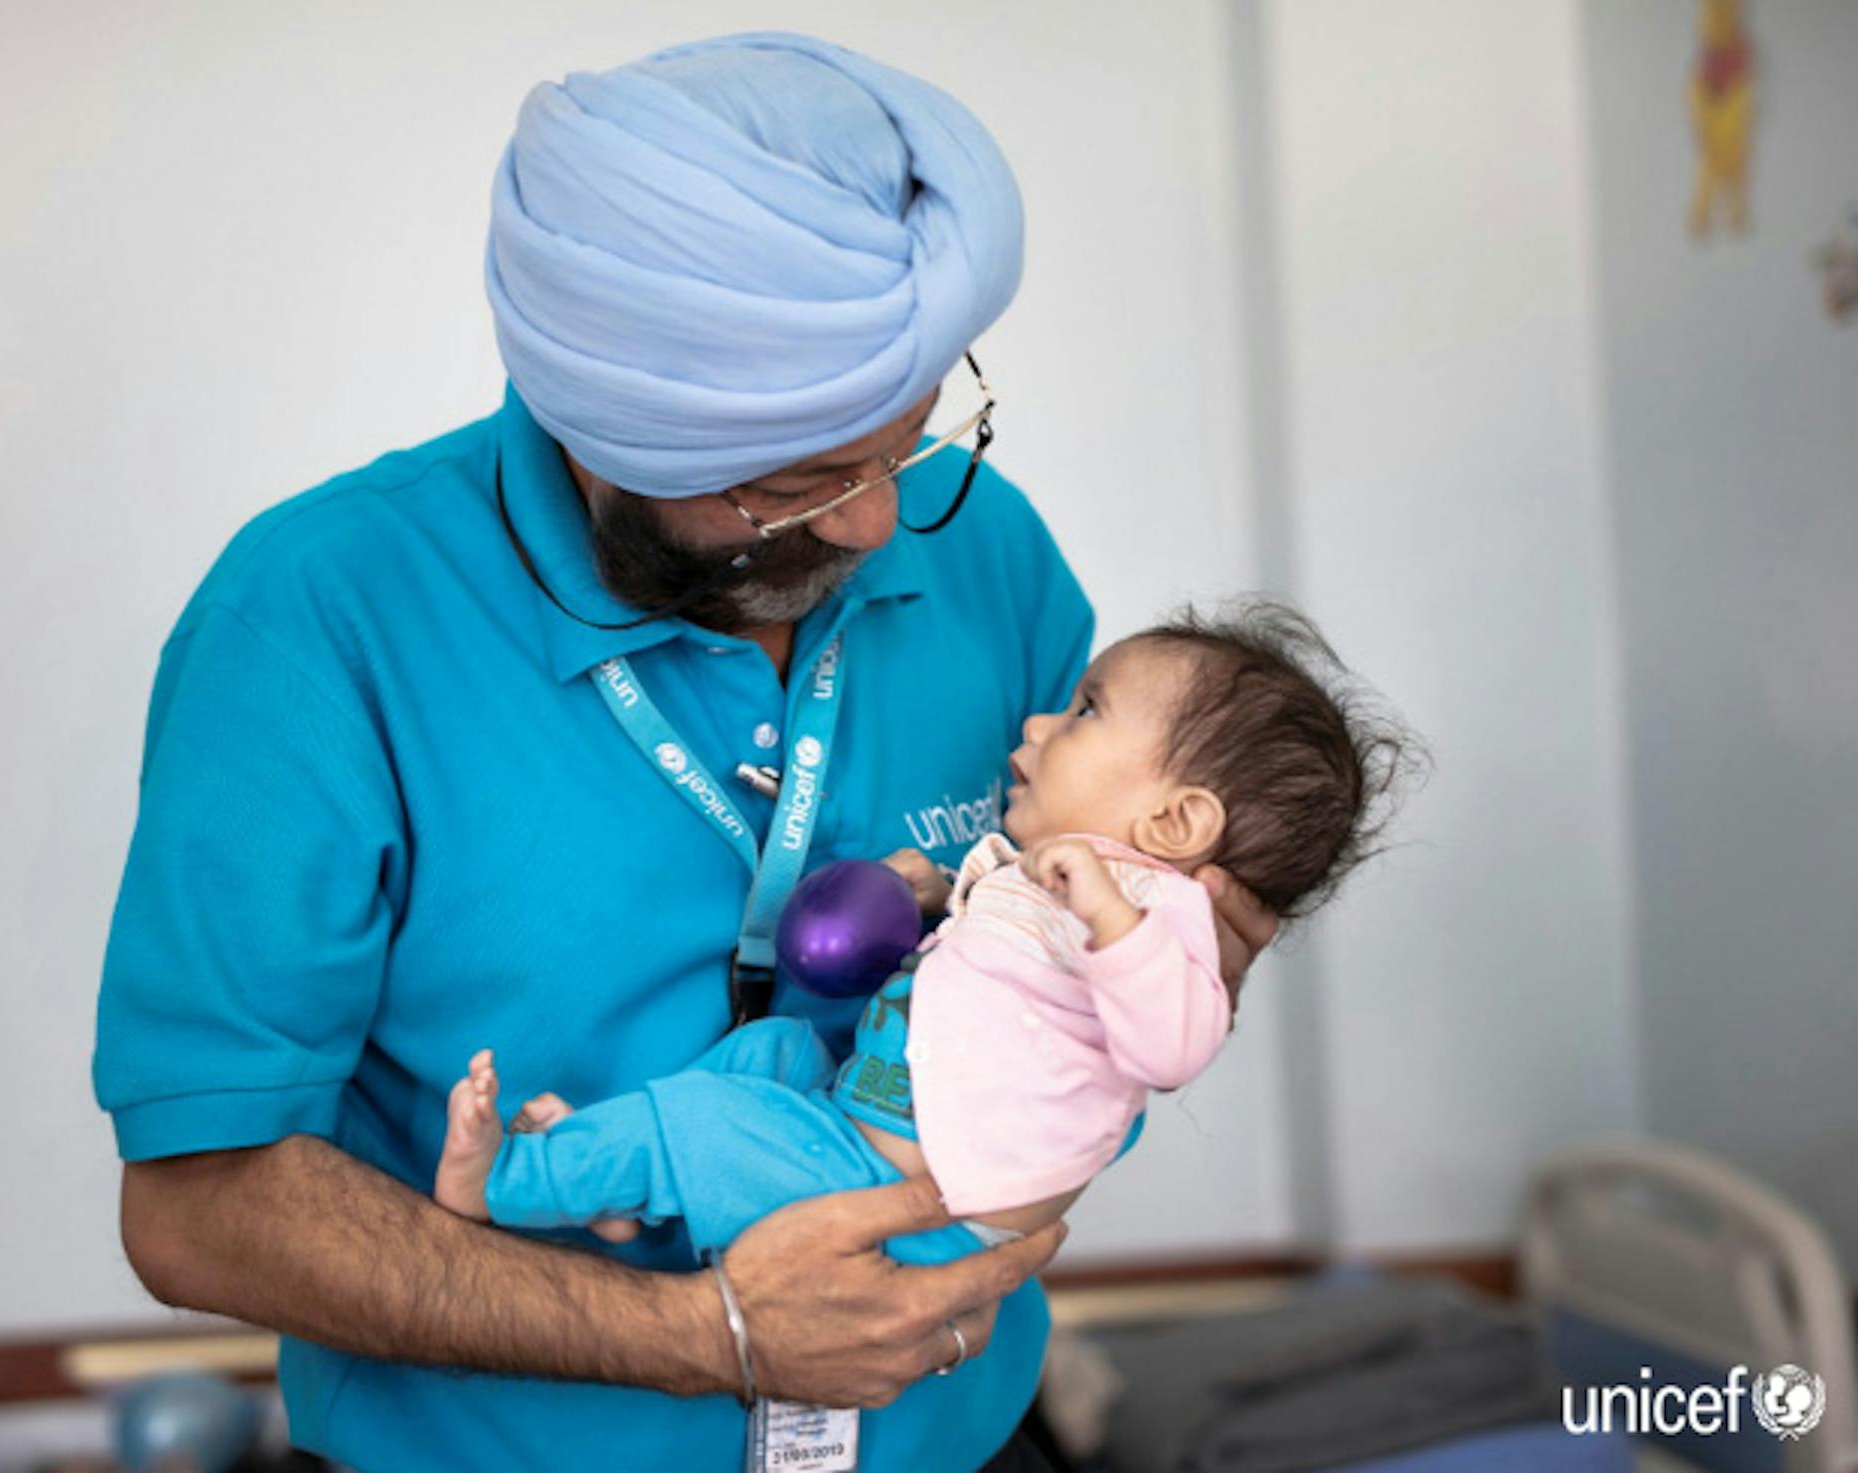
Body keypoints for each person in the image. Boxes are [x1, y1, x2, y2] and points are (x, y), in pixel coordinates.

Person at [95, 32, 1277, 1473]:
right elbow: (197, 1205)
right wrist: (699, 1333)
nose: (873, 529)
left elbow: (1116, 976)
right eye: (794, 485)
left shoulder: (993, 557)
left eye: (901, 445)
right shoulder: (314, 622)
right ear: (613, 433)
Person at [432, 602, 1410, 1292]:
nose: (1037, 723)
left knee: (711, 1130)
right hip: (875, 1114)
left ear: (1178, 820)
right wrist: (937, 899)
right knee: (763, 1061)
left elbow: (1170, 1048)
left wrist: (1116, 918)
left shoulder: (1156, 910)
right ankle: (624, 1192)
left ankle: (508, 1184)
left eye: (1086, 712)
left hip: (915, 1191)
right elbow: (1013, 986)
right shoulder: (1055, 869)